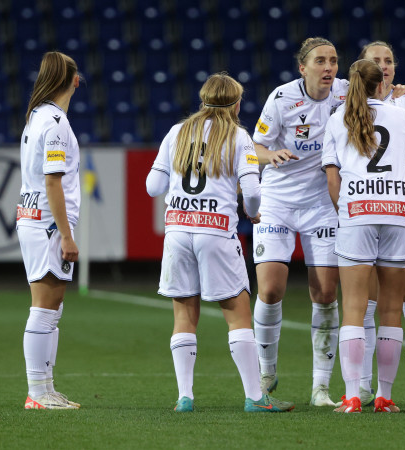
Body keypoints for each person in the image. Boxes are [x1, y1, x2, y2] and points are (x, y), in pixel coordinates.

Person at [146, 73, 293, 413]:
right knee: (237, 313)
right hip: (216, 230)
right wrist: (253, 213)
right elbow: (253, 191)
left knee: (184, 315)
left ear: (203, 99)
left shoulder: (177, 132)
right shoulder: (238, 136)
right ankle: (255, 398)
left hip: (178, 230)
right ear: (236, 103)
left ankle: (185, 397)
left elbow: (153, 187)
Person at [248, 37, 348, 406]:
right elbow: (255, 147)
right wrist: (270, 154)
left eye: (334, 61)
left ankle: (320, 387)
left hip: (322, 202)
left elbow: (378, 105)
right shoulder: (281, 98)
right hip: (277, 200)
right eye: (320, 61)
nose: (329, 67)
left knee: (325, 294)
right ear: (302, 68)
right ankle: (266, 369)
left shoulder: (346, 93)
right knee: (271, 290)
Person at [322, 59, 405, 413]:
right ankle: (385, 397)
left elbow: (333, 180)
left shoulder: (338, 119)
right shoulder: (402, 115)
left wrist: (345, 211)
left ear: (351, 87)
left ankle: (351, 397)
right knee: (392, 308)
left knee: (354, 307)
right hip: (398, 210)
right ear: (382, 85)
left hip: (357, 210)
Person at [356, 40, 405, 407]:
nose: (384, 66)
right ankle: (364, 386)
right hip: (367, 213)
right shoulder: (350, 105)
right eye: (376, 61)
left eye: (389, 60)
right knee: (369, 304)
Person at [18, 51, 82, 410]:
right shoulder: (55, 121)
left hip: (32, 217)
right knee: (44, 308)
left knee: (50, 307)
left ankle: (45, 388)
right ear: (74, 80)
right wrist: (67, 234)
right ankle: (38, 392)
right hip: (46, 224)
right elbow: (53, 182)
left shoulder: (36, 117)